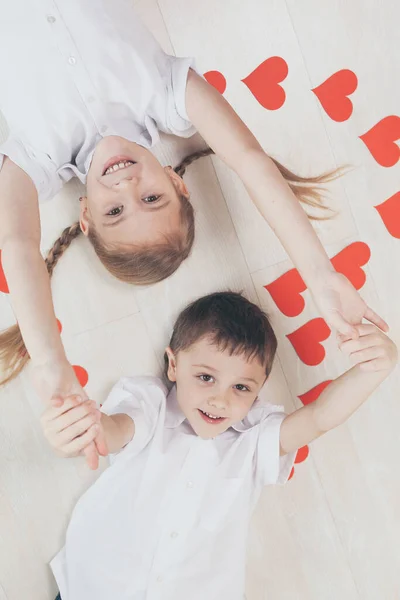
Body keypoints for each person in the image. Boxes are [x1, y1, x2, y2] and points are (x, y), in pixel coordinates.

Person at [0, 1, 388, 470]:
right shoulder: (167, 96)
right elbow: (249, 159)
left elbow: (19, 245)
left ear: (85, 215)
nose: (127, 186)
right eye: (152, 199)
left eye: (115, 211)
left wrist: (51, 363)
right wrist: (321, 276)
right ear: (176, 181)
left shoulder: (37, 159)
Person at [41, 292, 397, 600]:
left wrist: (374, 368)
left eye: (241, 387)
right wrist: (86, 424)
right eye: (206, 377)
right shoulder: (150, 405)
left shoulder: (252, 446)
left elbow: (319, 417)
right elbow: (116, 430)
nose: (220, 400)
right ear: (174, 365)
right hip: (95, 588)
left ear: (259, 390)